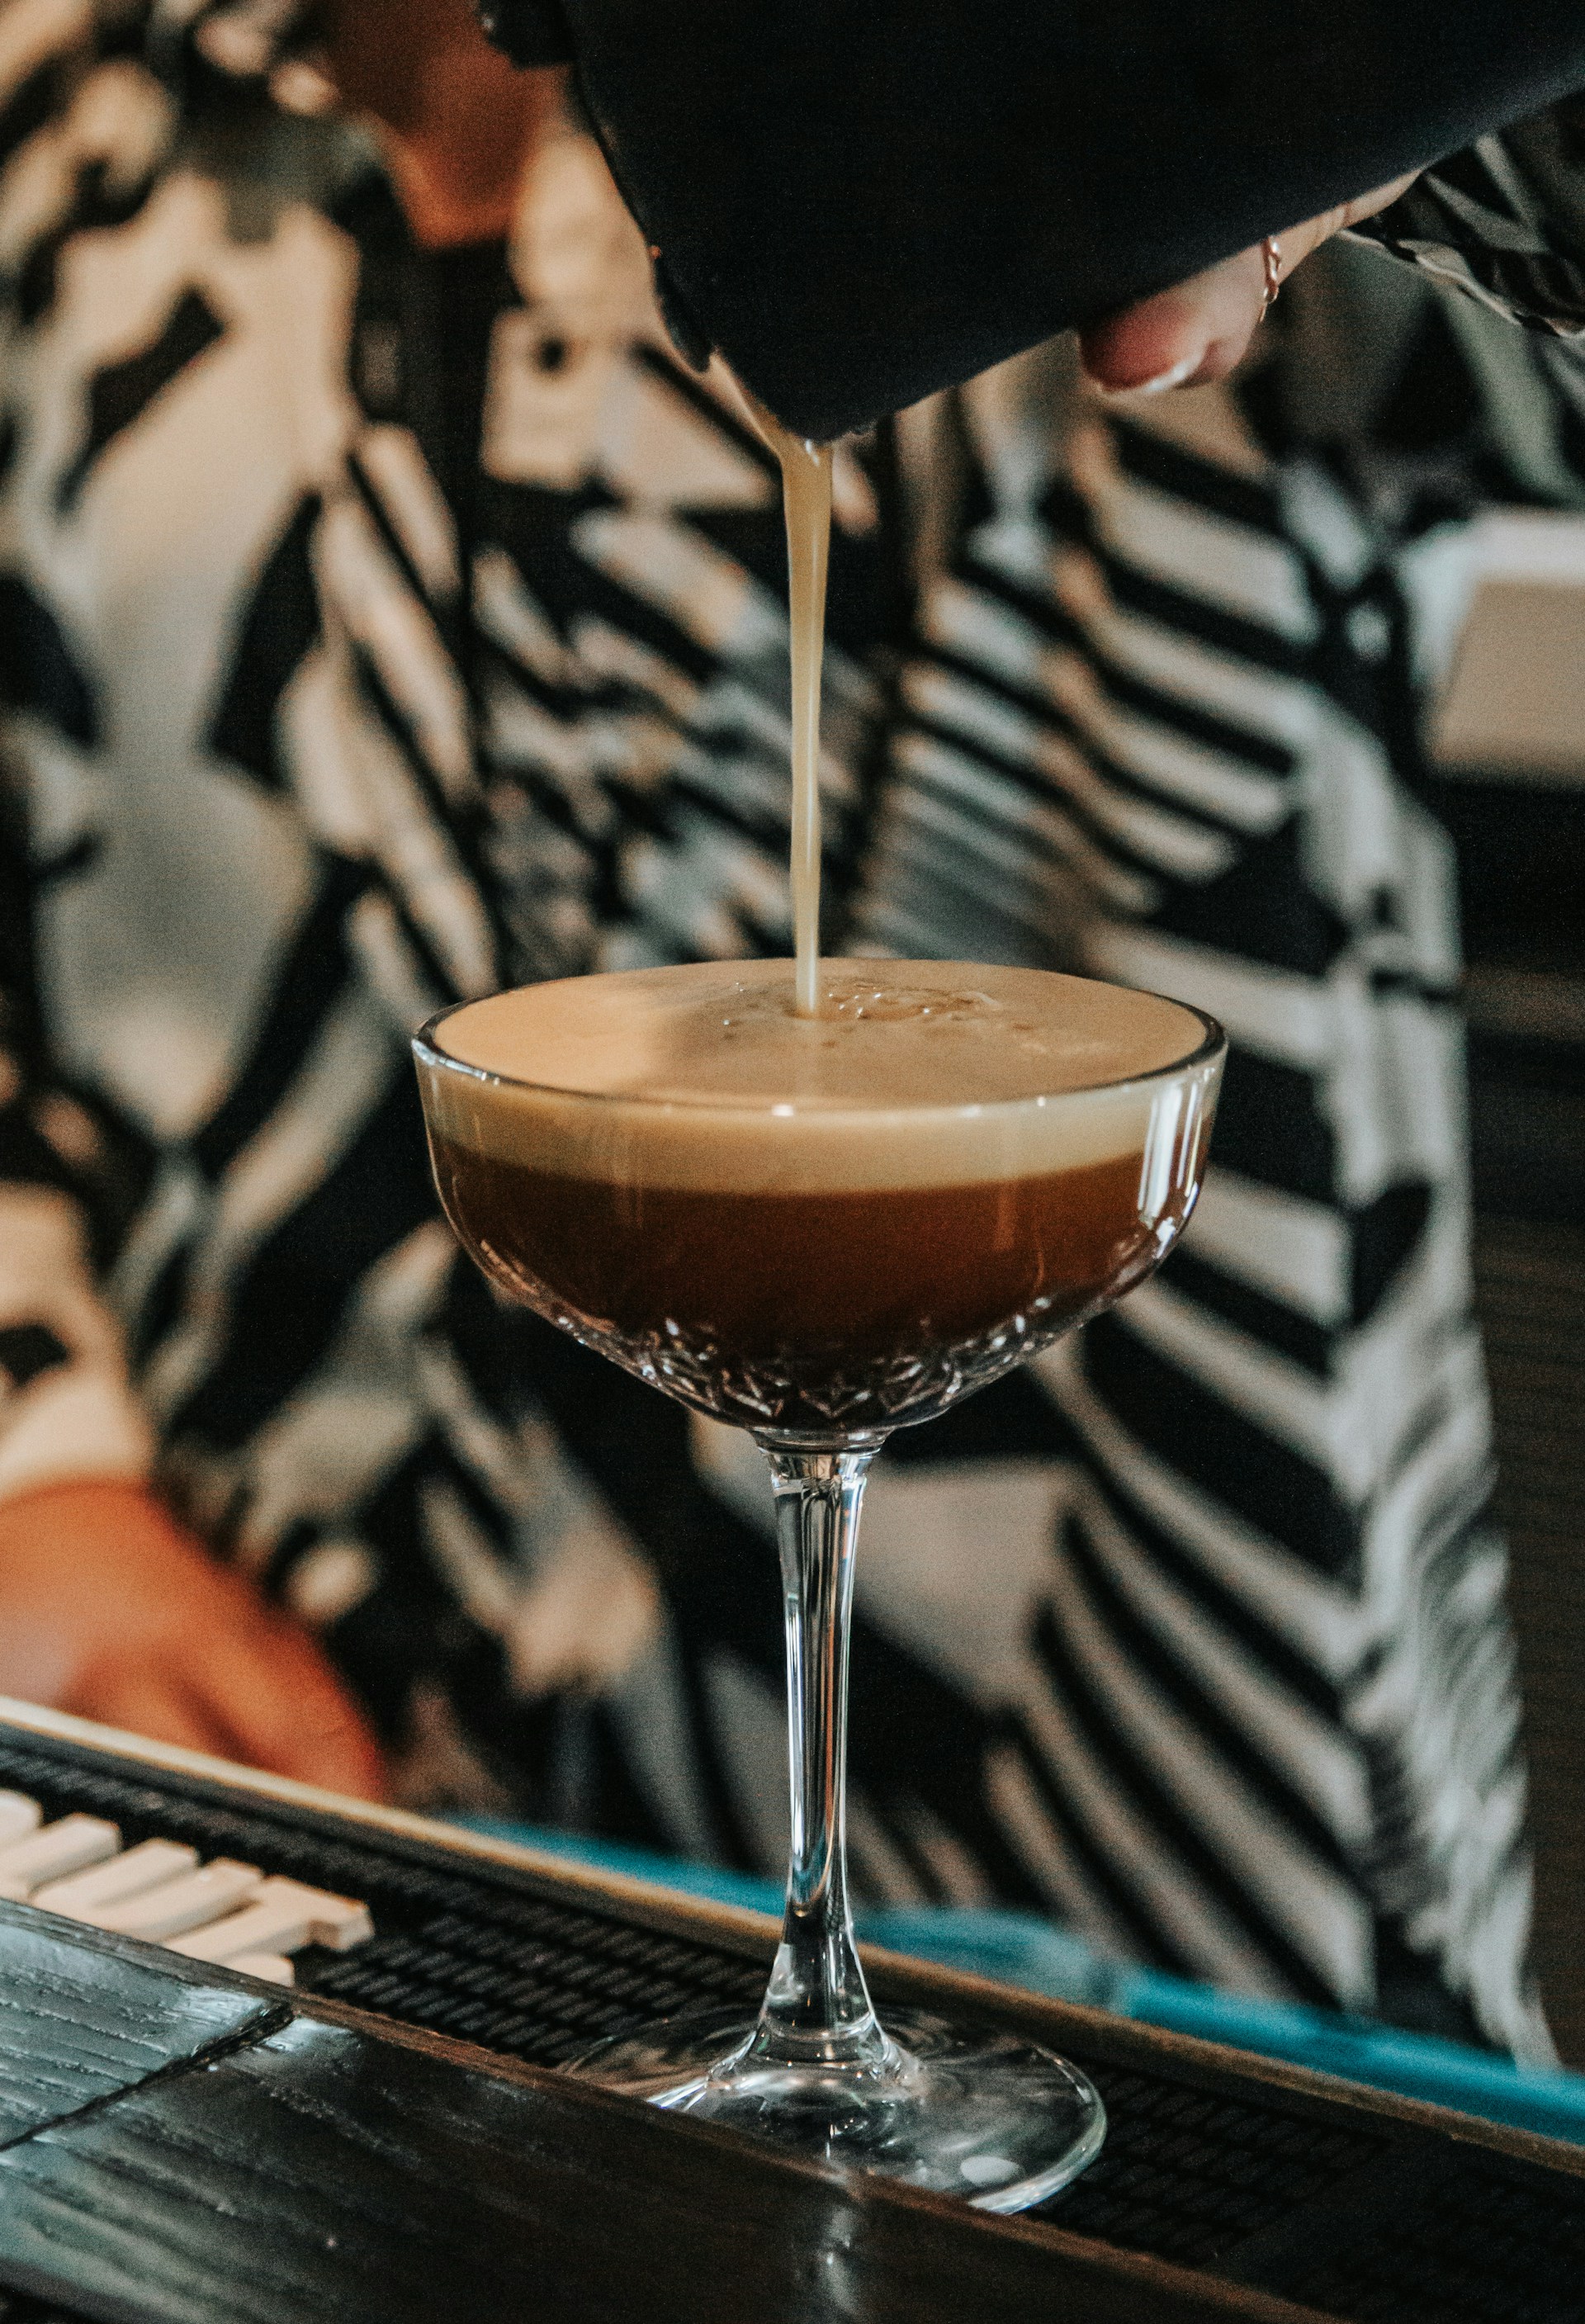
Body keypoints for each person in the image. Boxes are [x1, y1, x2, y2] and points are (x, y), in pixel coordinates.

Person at [0, 0, 1578, 2055]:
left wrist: (1389, 87)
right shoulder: (64, 164)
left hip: (1196, 1907)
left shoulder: (1048, 84)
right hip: (338, 1922)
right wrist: (40, 1456)